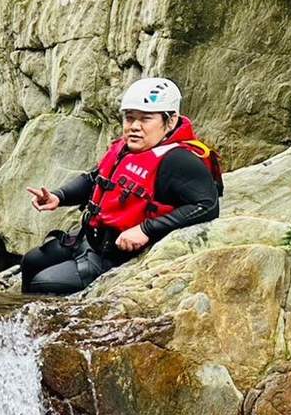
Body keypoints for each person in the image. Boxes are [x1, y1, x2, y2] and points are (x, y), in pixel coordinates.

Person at [21, 77, 222, 295]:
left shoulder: (178, 160)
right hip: (90, 240)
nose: (134, 127)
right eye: (129, 118)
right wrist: (58, 196)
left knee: (44, 284)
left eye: (146, 119)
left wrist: (146, 229)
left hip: (115, 255)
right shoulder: (124, 148)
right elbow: (95, 178)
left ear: (171, 121)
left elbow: (207, 206)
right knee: (31, 262)